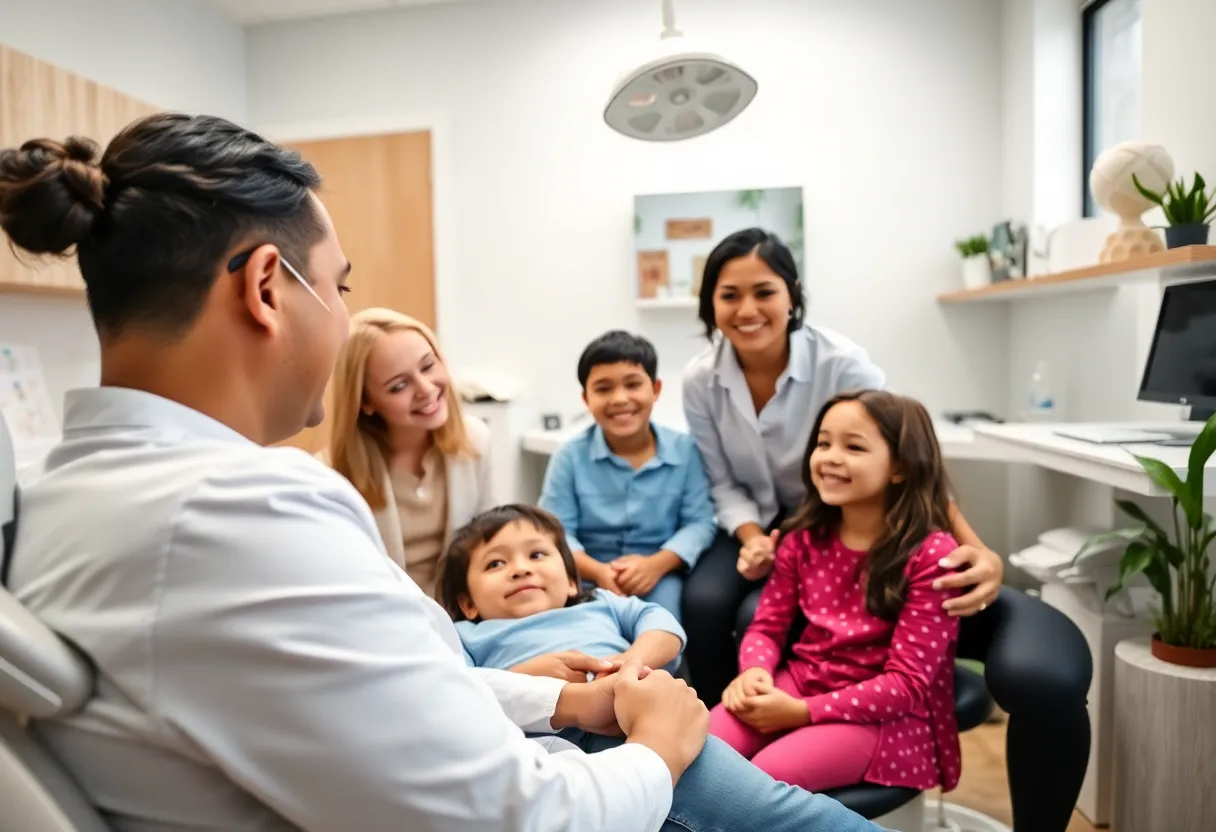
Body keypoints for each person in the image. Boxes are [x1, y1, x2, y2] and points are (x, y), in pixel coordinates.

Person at [1, 114, 730, 832]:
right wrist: (655, 750)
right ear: (265, 287)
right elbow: (516, 816)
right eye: (338, 288)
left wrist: (556, 703)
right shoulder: (246, 512)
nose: (344, 321)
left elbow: (376, 698)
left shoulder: (58, 500)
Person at [679, 227, 1004, 706]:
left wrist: (978, 548)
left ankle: (806, 715)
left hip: (834, 518)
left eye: (764, 292)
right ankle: (708, 732)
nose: (747, 310)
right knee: (703, 603)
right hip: (754, 524)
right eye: (729, 296)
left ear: (792, 296)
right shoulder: (699, 380)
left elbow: (907, 457)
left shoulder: (843, 364)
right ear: (710, 305)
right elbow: (722, 482)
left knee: (761, 616)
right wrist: (752, 541)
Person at [438, 503, 887, 832]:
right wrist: (534, 674)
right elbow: (452, 695)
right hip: (552, 761)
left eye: (537, 555)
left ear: (573, 579)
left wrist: (626, 666)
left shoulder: (603, 605)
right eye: (496, 564)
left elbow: (665, 627)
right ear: (467, 603)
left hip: (640, 724)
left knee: (775, 812)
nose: (520, 570)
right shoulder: (466, 638)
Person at [710, 390, 962, 796]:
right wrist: (755, 672)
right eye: (823, 443)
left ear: (900, 466)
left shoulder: (933, 556)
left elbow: (907, 686)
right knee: (696, 745)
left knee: (762, 777)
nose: (830, 457)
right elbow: (766, 626)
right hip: (804, 683)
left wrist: (800, 712)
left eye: (854, 446)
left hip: (888, 721)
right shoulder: (803, 537)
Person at [538, 331, 715, 620]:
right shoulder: (568, 456)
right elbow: (556, 531)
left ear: (656, 389)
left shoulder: (686, 451)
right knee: (582, 634)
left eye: (633, 385)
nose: (620, 399)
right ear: (586, 398)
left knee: (664, 632)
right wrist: (598, 571)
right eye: (603, 389)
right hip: (584, 571)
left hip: (658, 572)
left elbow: (700, 522)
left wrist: (656, 564)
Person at [325, 307, 493, 598]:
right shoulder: (332, 473)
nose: (426, 389)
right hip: (389, 622)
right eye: (399, 386)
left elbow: (492, 541)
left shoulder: (475, 440)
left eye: (428, 366)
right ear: (365, 402)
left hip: (468, 616)